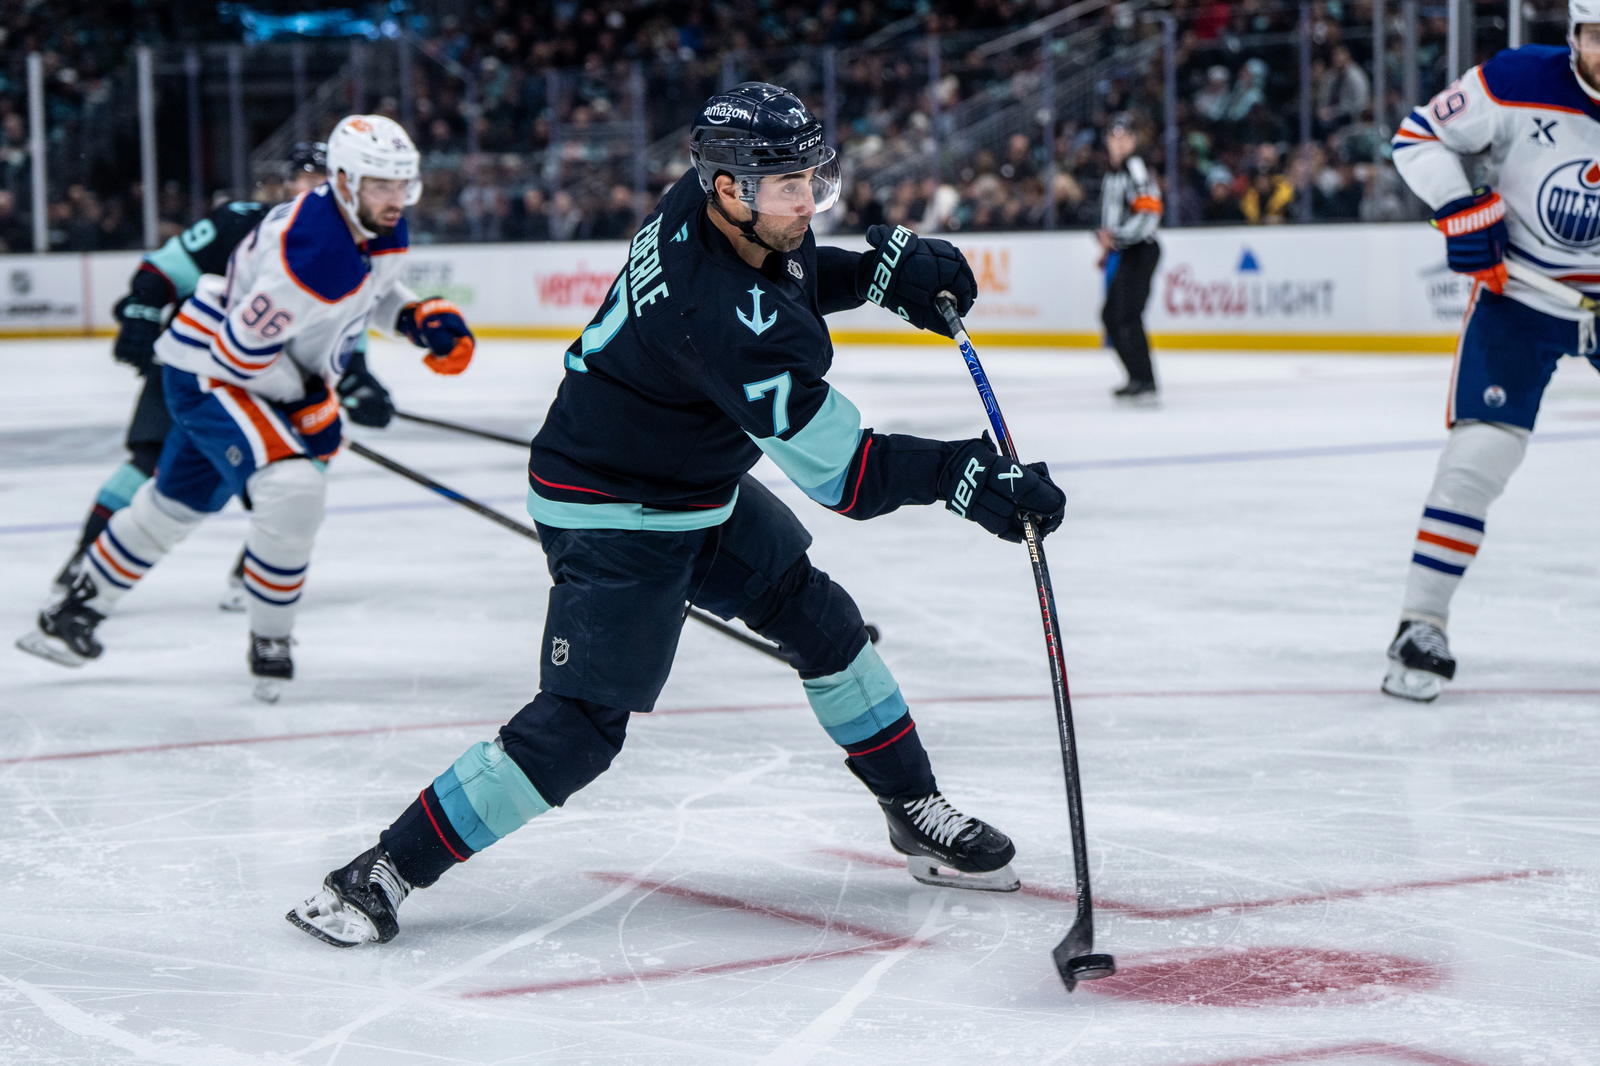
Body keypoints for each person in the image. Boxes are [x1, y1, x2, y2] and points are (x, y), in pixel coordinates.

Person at [286, 82, 1068, 948]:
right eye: (788, 186)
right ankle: (380, 871)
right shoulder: (722, 318)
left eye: (815, 177)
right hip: (612, 507)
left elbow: (795, 270)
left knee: (824, 621)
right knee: (579, 730)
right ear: (730, 189)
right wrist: (965, 476)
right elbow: (851, 476)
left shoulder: (706, 205)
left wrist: (879, 279)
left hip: (693, 487)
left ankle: (912, 807)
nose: (808, 201)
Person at [16, 115, 476, 702]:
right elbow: (238, 354)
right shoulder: (305, 256)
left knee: (175, 503)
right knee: (293, 486)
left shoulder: (373, 222)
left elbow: (372, 291)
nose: (396, 199)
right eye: (381, 184)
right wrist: (314, 406)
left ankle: (72, 616)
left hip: (248, 369)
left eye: (401, 184)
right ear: (343, 180)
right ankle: (270, 643)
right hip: (212, 373)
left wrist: (416, 319)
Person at [41, 142, 397, 611]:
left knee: (294, 473)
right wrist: (143, 313)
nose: (314, 188)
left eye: (324, 179)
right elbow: (164, 269)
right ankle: (85, 561)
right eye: (307, 178)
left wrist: (358, 378)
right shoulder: (241, 221)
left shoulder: (354, 245)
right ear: (287, 183)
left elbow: (347, 329)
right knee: (148, 460)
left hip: (280, 384)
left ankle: (255, 575)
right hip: (195, 366)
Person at [1382, 3, 1600, 701]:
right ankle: (1421, 623)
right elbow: (1417, 136)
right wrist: (1457, 205)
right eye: (1599, 36)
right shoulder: (1517, 79)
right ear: (1575, 34)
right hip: (1521, 301)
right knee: (1477, 461)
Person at [1096, 113, 1163, 404]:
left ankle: (1144, 380)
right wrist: (1109, 244)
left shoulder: (1134, 169)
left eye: (1124, 137)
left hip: (1139, 249)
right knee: (1113, 315)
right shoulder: (1115, 173)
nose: (1118, 143)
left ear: (1133, 141)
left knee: (1125, 315)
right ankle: (1137, 378)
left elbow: (1149, 211)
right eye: (1114, 137)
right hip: (1126, 250)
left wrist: (1118, 236)